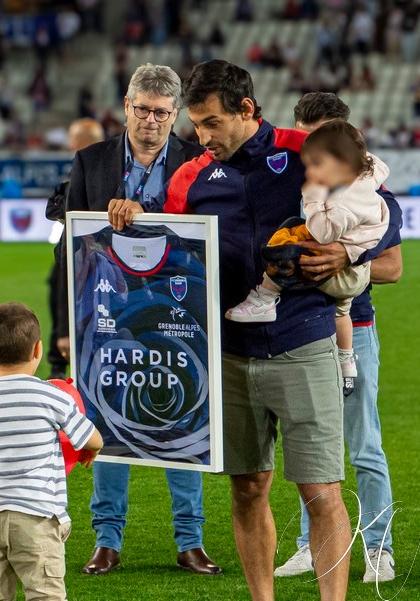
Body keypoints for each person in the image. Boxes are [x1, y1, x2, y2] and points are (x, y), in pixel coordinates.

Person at [109, 60, 352, 600]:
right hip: (228, 353)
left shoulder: (303, 148)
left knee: (321, 491)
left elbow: (384, 206)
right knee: (247, 489)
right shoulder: (191, 175)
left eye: (212, 122)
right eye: (195, 124)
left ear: (247, 110)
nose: (202, 136)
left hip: (302, 342)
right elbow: (164, 240)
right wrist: (130, 215)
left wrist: (345, 250)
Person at [64, 63, 221, 576]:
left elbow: (209, 234)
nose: (151, 120)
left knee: (184, 422)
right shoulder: (90, 161)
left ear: (175, 114)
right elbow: (68, 239)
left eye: (161, 112)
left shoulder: (198, 161)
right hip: (107, 311)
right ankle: (106, 540)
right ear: (126, 106)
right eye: (142, 110)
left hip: (181, 311)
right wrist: (66, 322)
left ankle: (189, 540)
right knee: (109, 421)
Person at [274, 92, 401, 584]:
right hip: (298, 328)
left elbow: (394, 267)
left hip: (355, 327)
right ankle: (310, 545)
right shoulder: (298, 182)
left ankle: (379, 547)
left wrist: (346, 257)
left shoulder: (371, 196)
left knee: (363, 442)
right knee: (309, 446)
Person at [225, 120, 390, 398]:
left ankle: (265, 296)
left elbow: (323, 232)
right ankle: (346, 360)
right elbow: (376, 163)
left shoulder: (347, 199)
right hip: (357, 271)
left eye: (316, 165)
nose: (310, 172)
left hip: (341, 273)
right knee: (342, 312)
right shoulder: (366, 176)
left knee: (288, 235)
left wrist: (312, 195)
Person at [0, 302, 104, 600]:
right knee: (44, 592)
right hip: (35, 516)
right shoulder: (51, 395)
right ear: (37, 349)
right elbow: (93, 439)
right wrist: (90, 448)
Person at [45, 118, 105, 379]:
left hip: (87, 260)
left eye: (72, 139)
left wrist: (63, 331)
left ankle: (60, 362)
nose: (68, 144)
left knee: (61, 281)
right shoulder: (107, 173)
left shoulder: (88, 176)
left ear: (80, 143)